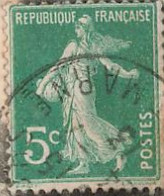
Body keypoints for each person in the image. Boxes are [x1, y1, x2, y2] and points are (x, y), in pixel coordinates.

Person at [36, 14, 138, 175]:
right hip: (82, 88)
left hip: (81, 89)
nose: (76, 29)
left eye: (79, 27)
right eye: (76, 26)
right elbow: (110, 66)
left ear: (85, 29)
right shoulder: (94, 47)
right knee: (77, 126)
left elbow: (58, 67)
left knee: (89, 125)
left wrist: (42, 86)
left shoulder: (75, 46)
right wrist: (128, 74)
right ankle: (84, 163)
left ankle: (117, 151)